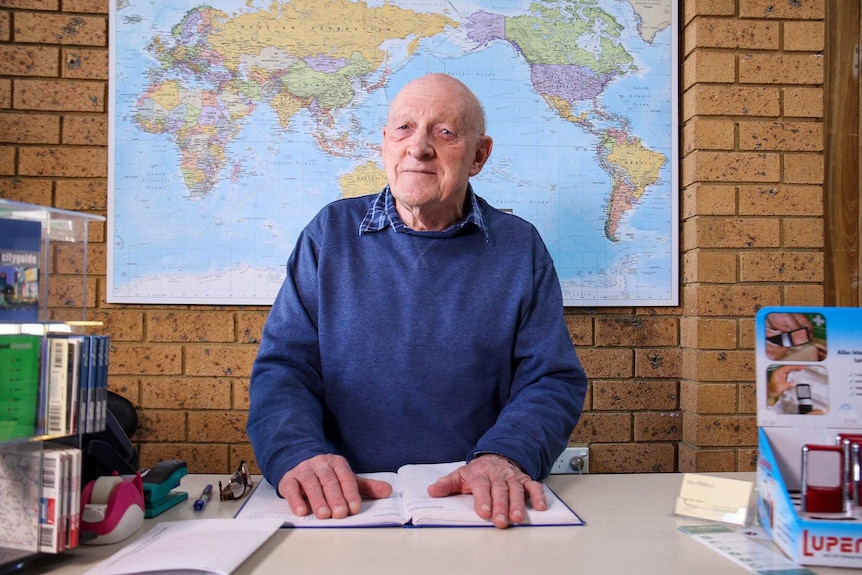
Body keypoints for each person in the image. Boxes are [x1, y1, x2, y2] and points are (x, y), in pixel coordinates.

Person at [247, 73, 588, 529]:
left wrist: (506, 455)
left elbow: (550, 378)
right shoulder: (329, 234)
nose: (419, 147)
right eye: (405, 129)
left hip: (475, 503)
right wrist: (298, 453)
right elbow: (284, 369)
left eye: (445, 132)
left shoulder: (519, 247)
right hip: (344, 505)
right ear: (386, 142)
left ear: (479, 156)